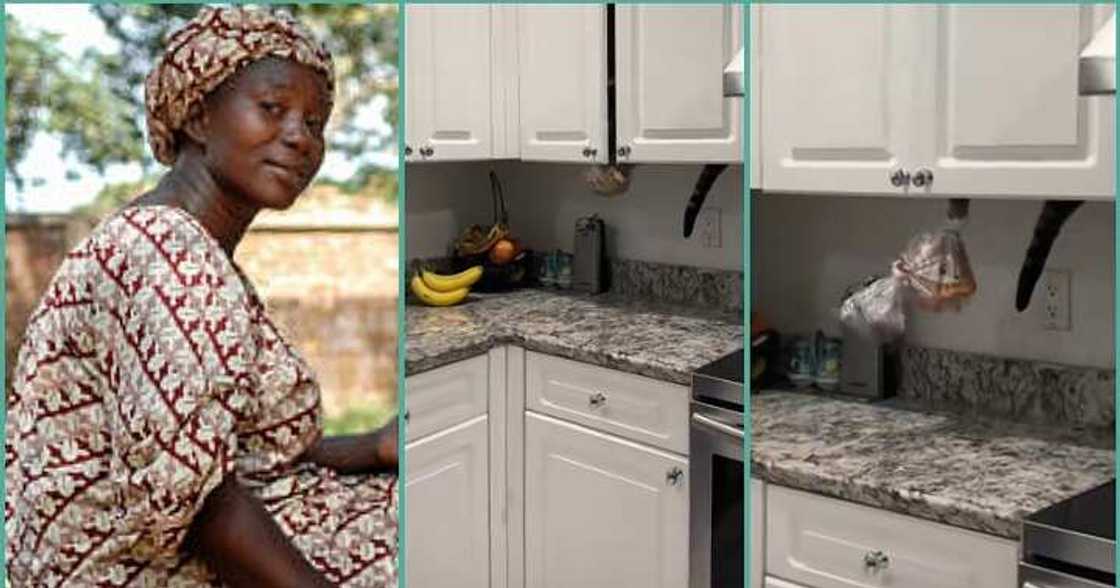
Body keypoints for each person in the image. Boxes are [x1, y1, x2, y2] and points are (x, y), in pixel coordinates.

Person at [5, 7, 398, 587]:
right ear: (196, 116)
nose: (300, 137)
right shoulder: (167, 252)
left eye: (315, 123)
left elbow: (236, 455)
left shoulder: (175, 244)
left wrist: (370, 446)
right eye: (272, 108)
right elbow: (201, 503)